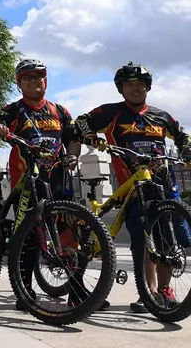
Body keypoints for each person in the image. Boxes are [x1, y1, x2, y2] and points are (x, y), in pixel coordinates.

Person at [74, 62, 191, 313]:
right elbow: (81, 122)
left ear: (147, 87)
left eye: (139, 85)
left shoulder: (162, 116)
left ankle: (164, 290)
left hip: (163, 185)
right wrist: (93, 138)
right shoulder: (110, 113)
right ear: (121, 88)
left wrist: (186, 150)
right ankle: (146, 293)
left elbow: (182, 135)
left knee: (166, 240)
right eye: (129, 85)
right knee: (142, 240)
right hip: (132, 189)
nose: (135, 89)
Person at [0, 58, 93, 310]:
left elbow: (72, 138)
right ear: (19, 84)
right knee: (30, 234)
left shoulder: (60, 111)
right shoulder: (14, 109)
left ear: (46, 80)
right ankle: (24, 291)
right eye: (28, 78)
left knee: (72, 234)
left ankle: (76, 290)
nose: (34, 81)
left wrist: (73, 155)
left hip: (59, 179)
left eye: (39, 77)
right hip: (28, 180)